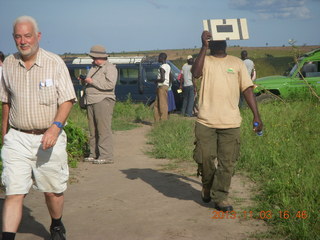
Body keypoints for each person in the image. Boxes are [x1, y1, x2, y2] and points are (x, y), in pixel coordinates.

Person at [0, 16, 76, 240]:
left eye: (27, 36)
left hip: (48, 137)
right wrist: (5, 135)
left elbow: (67, 100)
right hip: (17, 138)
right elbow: (7, 102)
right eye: (18, 36)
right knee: (14, 191)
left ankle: (56, 224)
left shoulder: (54, 63)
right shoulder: (9, 66)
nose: (23, 41)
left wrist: (55, 128)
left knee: (52, 191)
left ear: (38, 36)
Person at [192, 31, 263, 212]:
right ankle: (207, 185)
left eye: (221, 41)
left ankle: (221, 197)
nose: (219, 44)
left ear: (226, 43)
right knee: (205, 159)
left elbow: (247, 89)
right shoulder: (205, 60)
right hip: (206, 121)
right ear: (210, 44)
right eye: (213, 41)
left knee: (227, 163)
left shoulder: (236, 63)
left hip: (231, 122)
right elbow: (196, 72)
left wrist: (257, 116)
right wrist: (203, 47)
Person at [82, 45, 117, 164]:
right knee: (93, 129)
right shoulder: (93, 67)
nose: (92, 59)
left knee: (103, 129)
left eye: (94, 57)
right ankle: (94, 153)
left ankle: (106, 155)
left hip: (103, 100)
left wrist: (92, 81)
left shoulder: (110, 68)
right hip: (90, 100)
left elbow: (110, 85)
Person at [154, 52, 171, 122]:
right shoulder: (168, 66)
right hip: (165, 86)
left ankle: (163, 120)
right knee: (156, 104)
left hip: (161, 87)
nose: (158, 58)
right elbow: (170, 77)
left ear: (161, 58)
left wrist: (156, 80)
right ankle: (157, 121)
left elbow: (162, 79)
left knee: (162, 104)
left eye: (159, 57)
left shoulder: (162, 67)